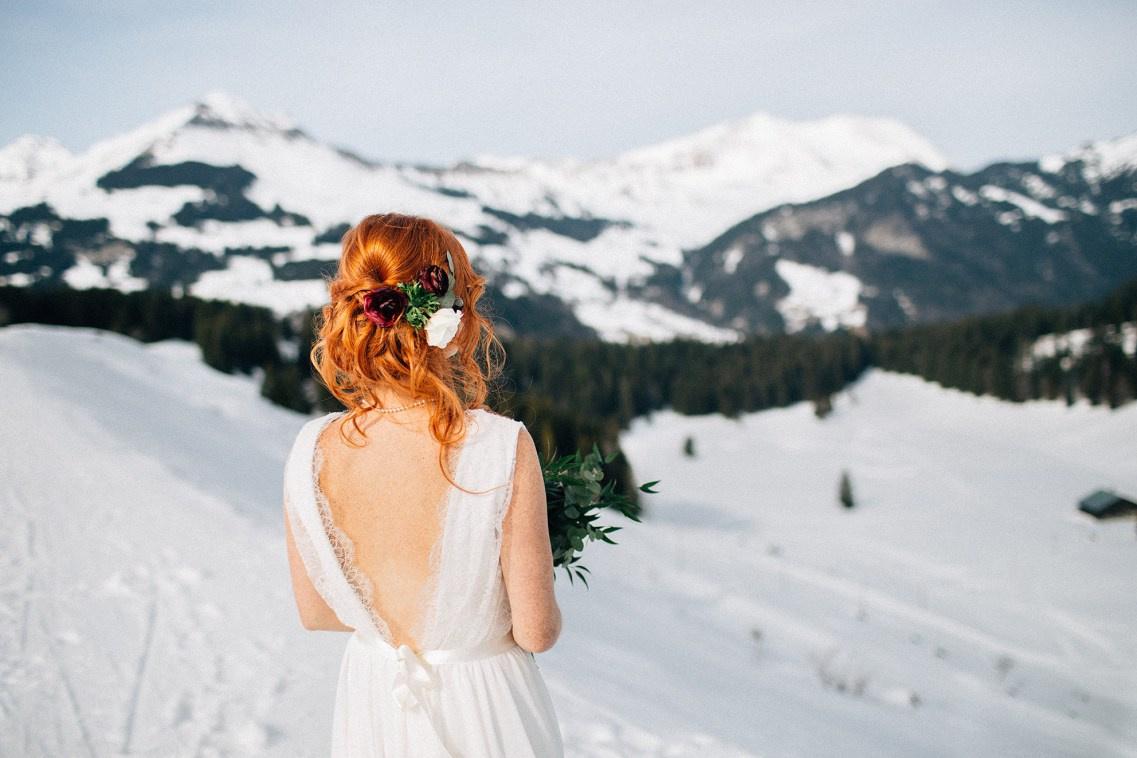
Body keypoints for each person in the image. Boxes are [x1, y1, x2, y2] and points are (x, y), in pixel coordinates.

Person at [281, 213, 564, 757]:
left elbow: (316, 613)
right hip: (482, 708)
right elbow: (537, 632)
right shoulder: (499, 445)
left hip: (375, 705)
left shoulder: (310, 450)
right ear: (452, 318)